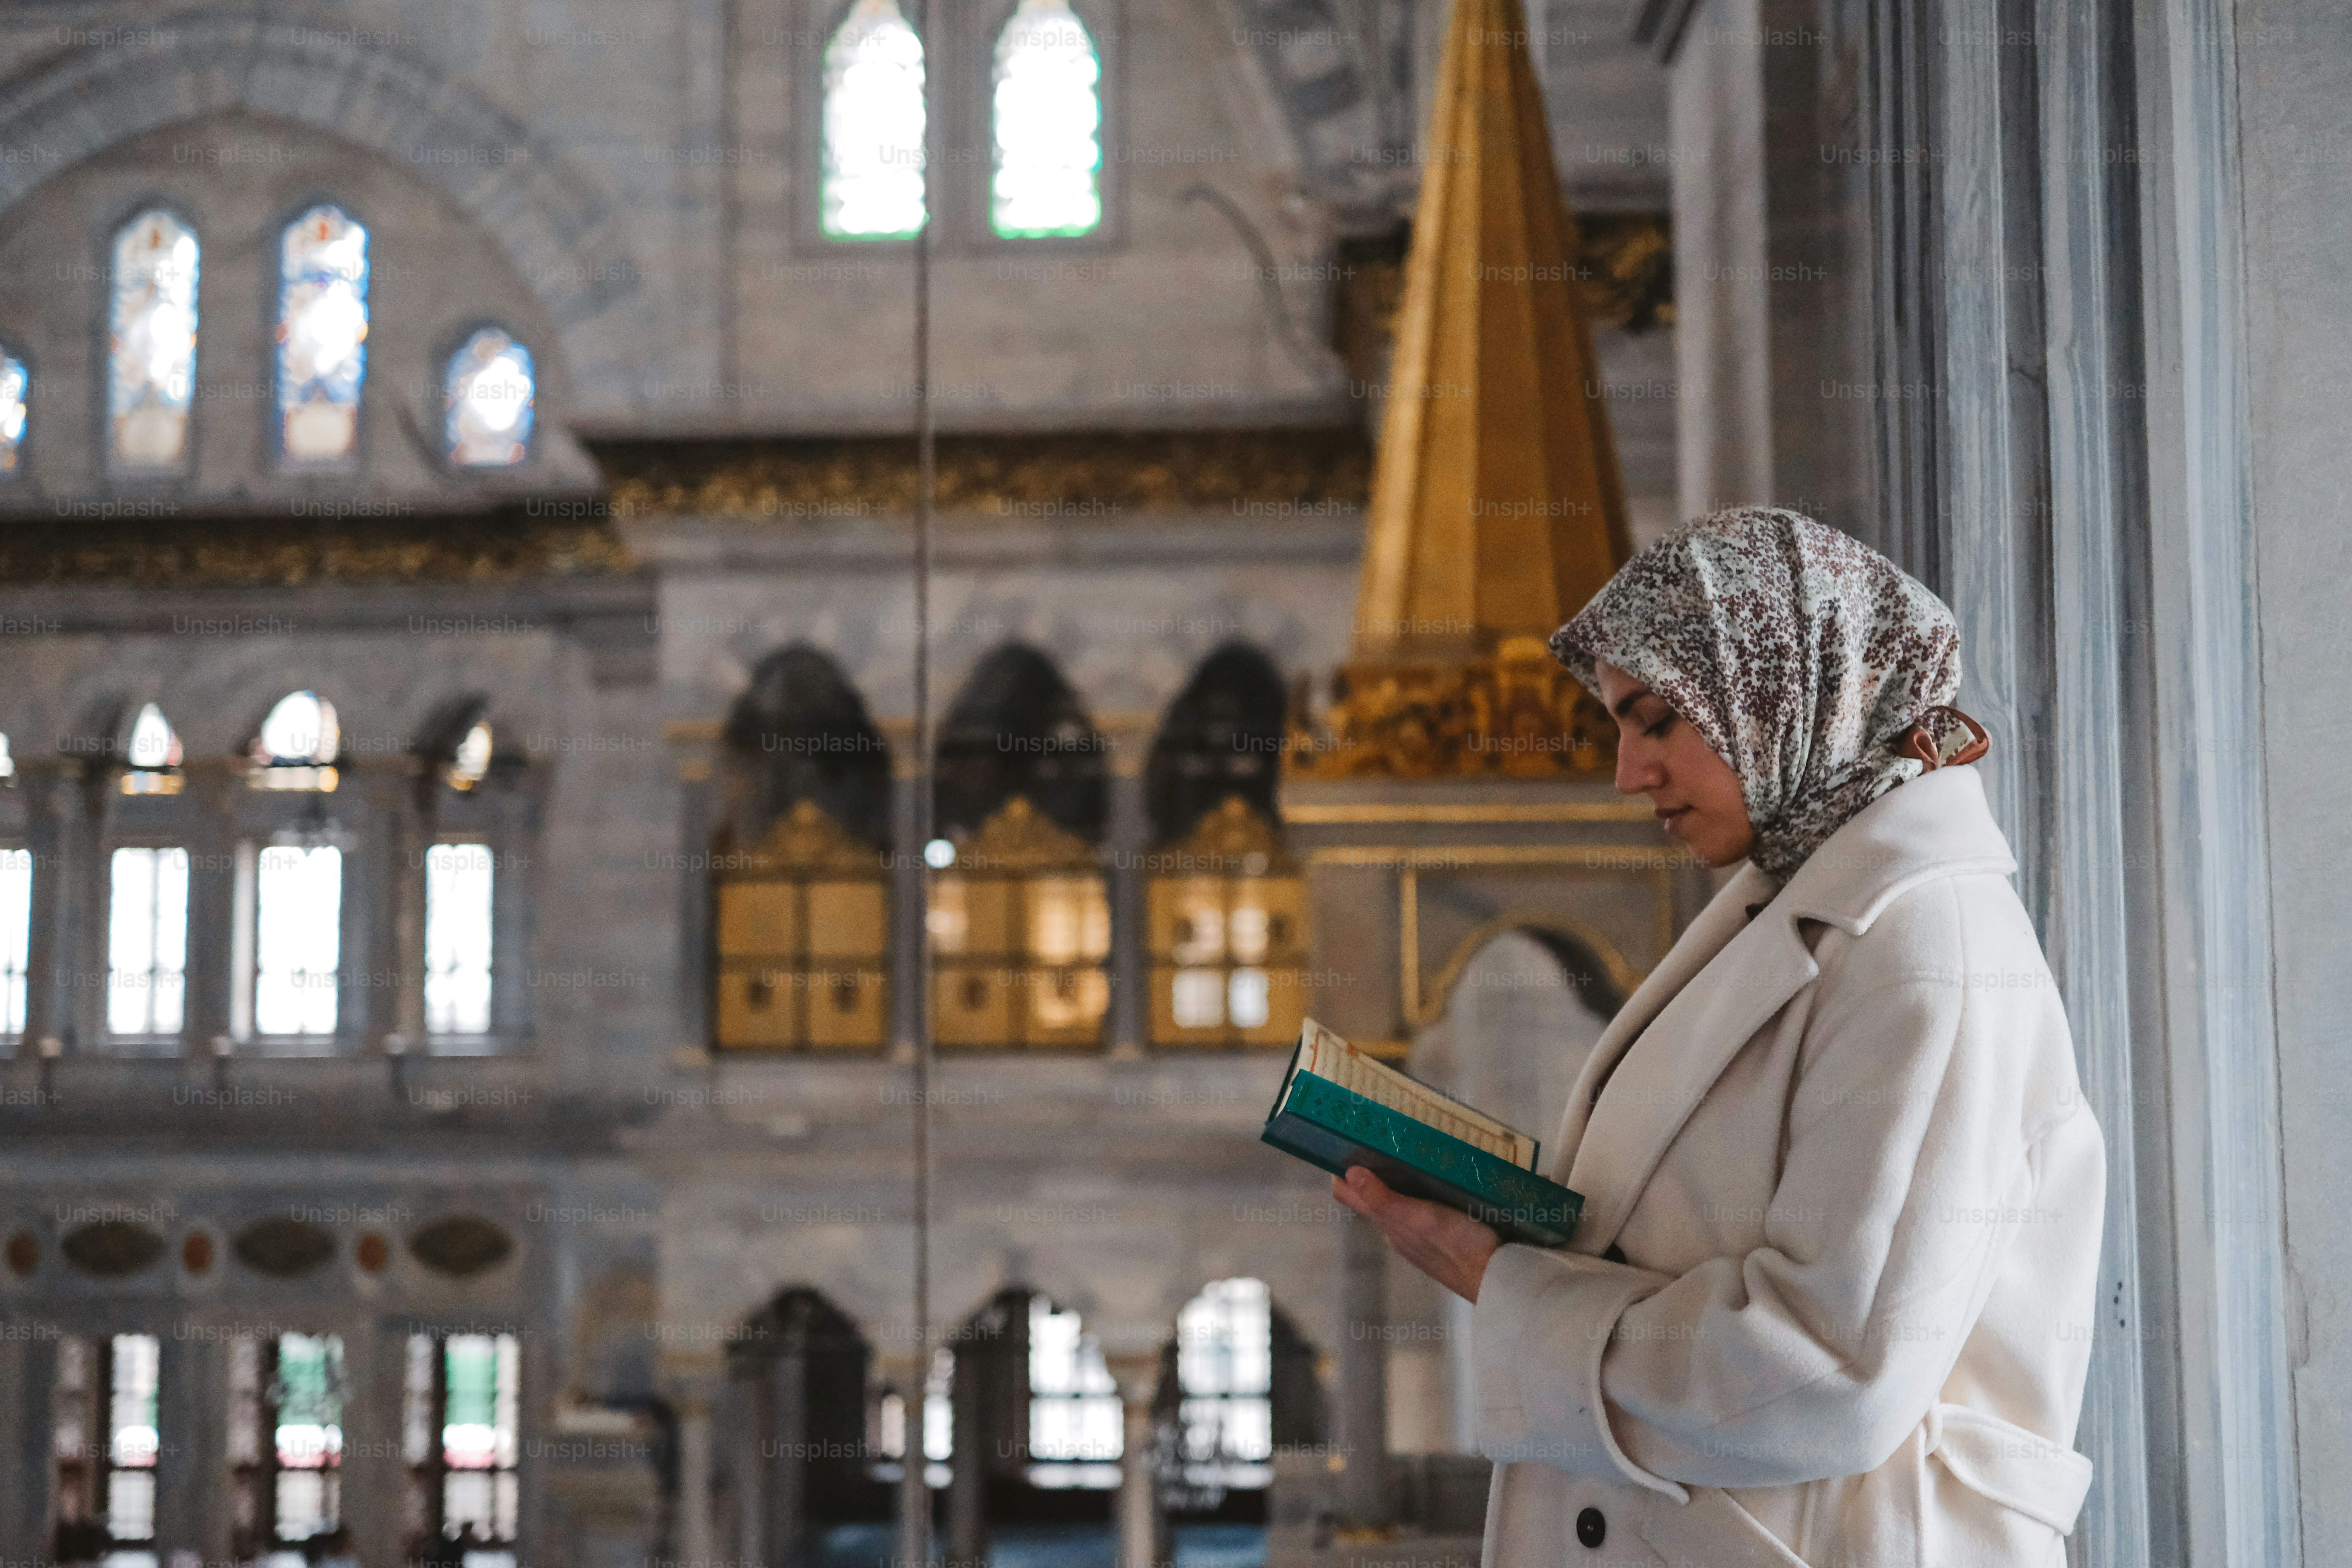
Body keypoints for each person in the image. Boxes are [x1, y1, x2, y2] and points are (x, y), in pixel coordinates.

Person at [1331, 508, 2105, 1567]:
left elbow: (1830, 1376)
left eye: (1654, 720)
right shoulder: (1792, 896)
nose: (1626, 772)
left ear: (1787, 687)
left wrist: (1502, 1283)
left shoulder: (1923, 945)